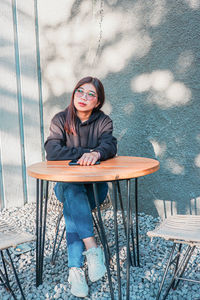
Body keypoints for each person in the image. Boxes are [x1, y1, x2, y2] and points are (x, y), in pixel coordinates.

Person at [44, 76, 117, 298]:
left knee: (72, 206)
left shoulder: (103, 121)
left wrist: (97, 152)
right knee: (71, 188)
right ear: (74, 94)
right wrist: (87, 152)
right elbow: (52, 151)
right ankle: (92, 250)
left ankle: (75, 270)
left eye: (90, 94)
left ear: (98, 102)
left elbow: (110, 145)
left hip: (96, 189)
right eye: (80, 92)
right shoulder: (60, 119)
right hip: (64, 188)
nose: (84, 97)